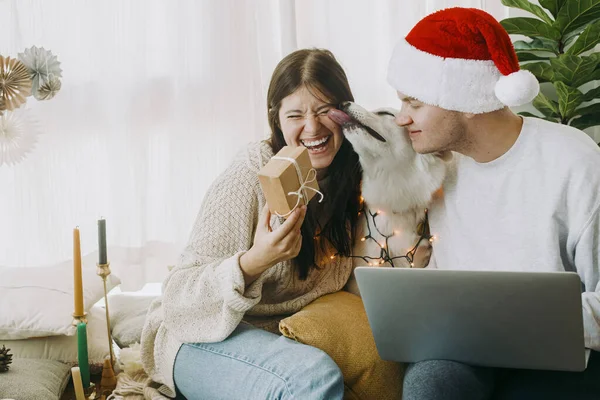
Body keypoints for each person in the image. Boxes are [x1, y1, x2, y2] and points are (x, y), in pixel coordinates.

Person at [386, 7, 600, 400]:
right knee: (428, 386)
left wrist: (522, 322)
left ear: (466, 99)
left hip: (556, 352)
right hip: (462, 349)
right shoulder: (436, 164)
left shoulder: (574, 161)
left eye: (414, 103)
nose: (402, 118)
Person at [140, 48, 362, 399]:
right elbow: (177, 299)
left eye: (324, 110)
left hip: (271, 340)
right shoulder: (250, 174)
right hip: (197, 335)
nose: (313, 127)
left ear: (346, 112)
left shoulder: (353, 180)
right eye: (296, 115)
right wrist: (255, 261)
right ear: (277, 120)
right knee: (311, 378)